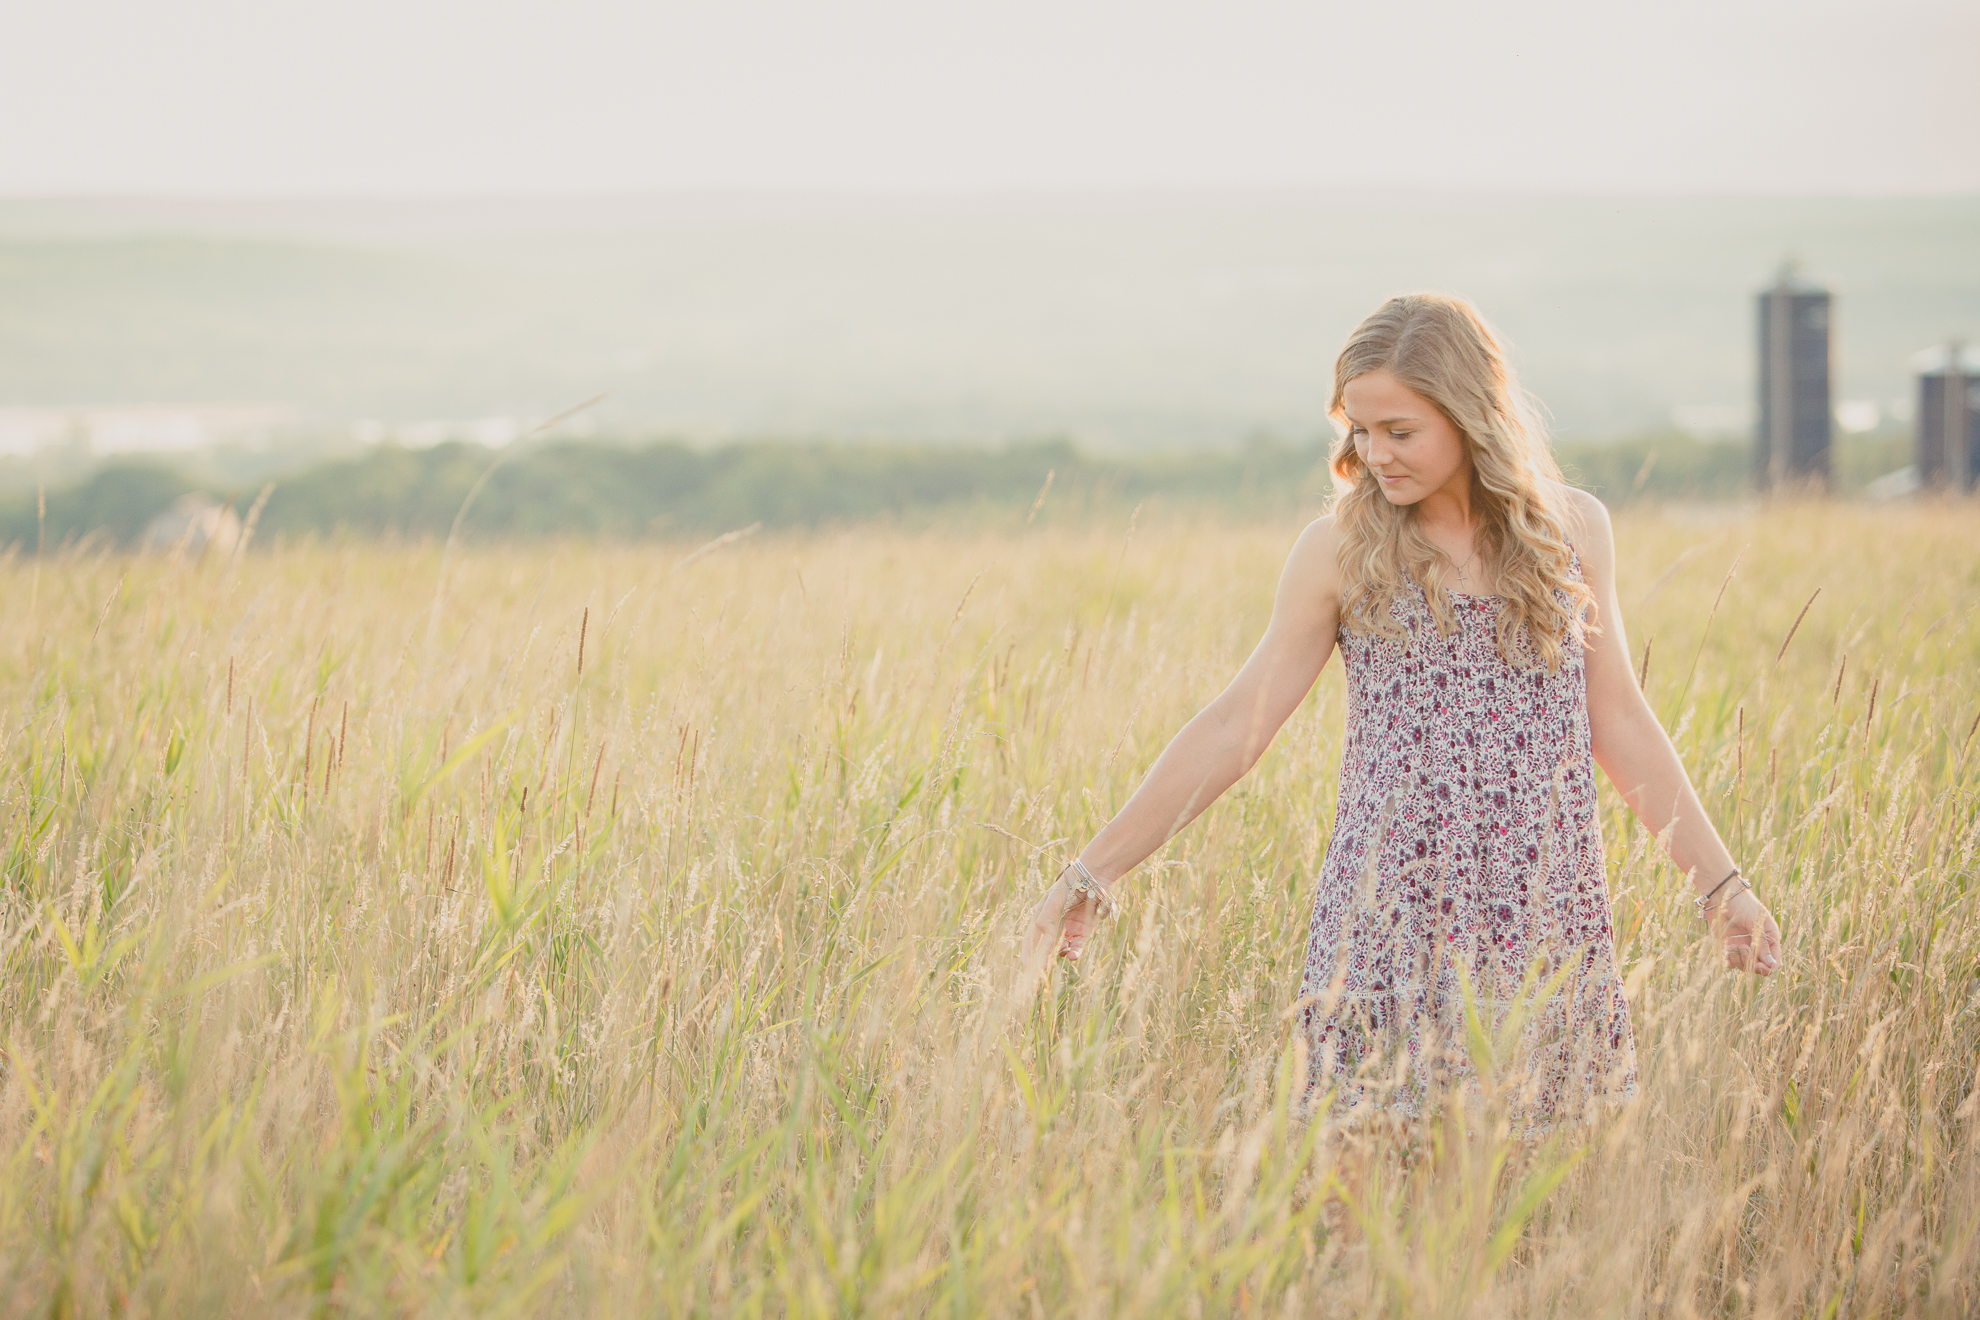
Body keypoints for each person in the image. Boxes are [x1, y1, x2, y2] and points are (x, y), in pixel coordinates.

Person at [1024, 293, 1782, 1126]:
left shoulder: (1575, 533)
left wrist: (1722, 887)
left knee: (1523, 1226)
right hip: (1386, 925)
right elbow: (1237, 726)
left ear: (1470, 416)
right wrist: (1093, 872)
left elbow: (1622, 721)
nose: (1373, 453)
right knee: (1368, 1211)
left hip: (1541, 917)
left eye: (1399, 431)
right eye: (1358, 429)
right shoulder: (1339, 550)